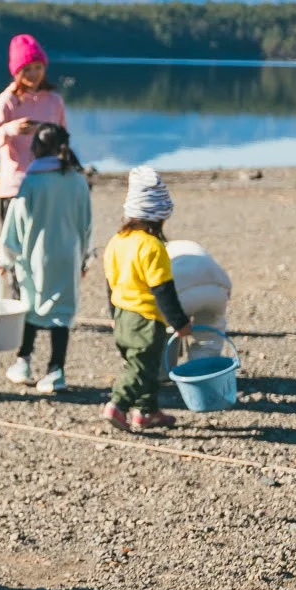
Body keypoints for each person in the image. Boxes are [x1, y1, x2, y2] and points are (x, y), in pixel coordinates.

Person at [0, 122, 92, 395]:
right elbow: (86, 225)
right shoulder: (78, 180)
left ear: (37, 147)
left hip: (34, 256)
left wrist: (5, 259)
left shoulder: (32, 181)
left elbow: (15, 225)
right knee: (62, 314)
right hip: (68, 256)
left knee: (31, 306)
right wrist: (85, 258)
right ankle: (56, 370)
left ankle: (23, 363)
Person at [102, 166, 193, 432]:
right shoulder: (153, 247)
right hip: (145, 319)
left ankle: (148, 412)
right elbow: (163, 290)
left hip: (122, 316)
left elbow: (110, 283)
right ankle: (117, 405)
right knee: (140, 369)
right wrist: (180, 323)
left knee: (146, 367)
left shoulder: (117, 241)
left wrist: (113, 316)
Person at [0, 34, 68, 219]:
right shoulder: (7, 100)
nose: (34, 74)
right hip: (16, 187)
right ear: (17, 72)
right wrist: (10, 129)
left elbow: (64, 139)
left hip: (49, 183)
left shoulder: (54, 100)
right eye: (27, 69)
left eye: (38, 67)